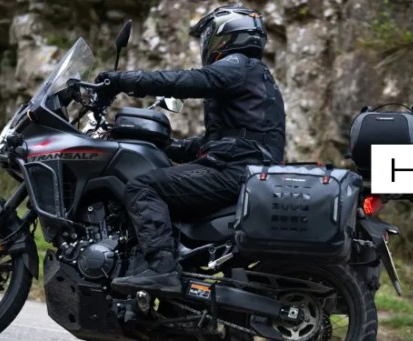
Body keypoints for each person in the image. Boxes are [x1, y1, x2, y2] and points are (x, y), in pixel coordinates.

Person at [94, 5, 285, 295]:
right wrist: (171, 146)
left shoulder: (237, 64)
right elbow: (228, 141)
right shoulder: (256, 74)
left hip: (233, 172)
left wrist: (124, 80)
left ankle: (161, 270)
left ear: (224, 35)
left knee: (143, 186)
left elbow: (193, 80)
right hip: (243, 168)